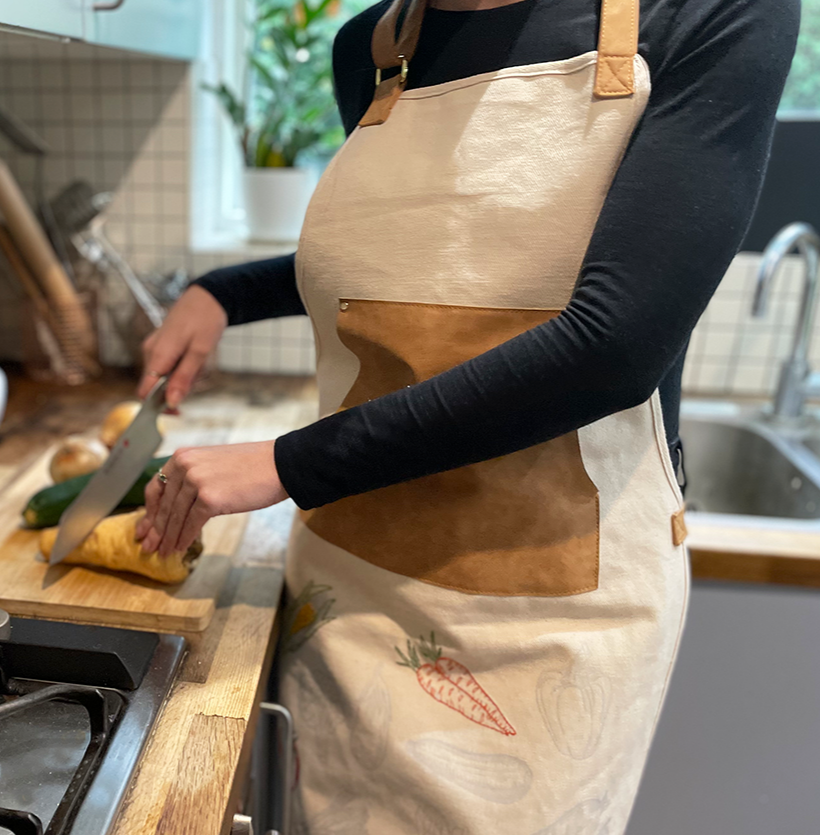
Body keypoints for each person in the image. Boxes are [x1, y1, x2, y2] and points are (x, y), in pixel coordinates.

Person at [137, 0, 799, 830]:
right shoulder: (372, 51)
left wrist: (284, 462)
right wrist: (225, 293)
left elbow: (614, 346)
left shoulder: (709, 15)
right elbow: (428, 260)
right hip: (352, 580)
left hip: (546, 619)